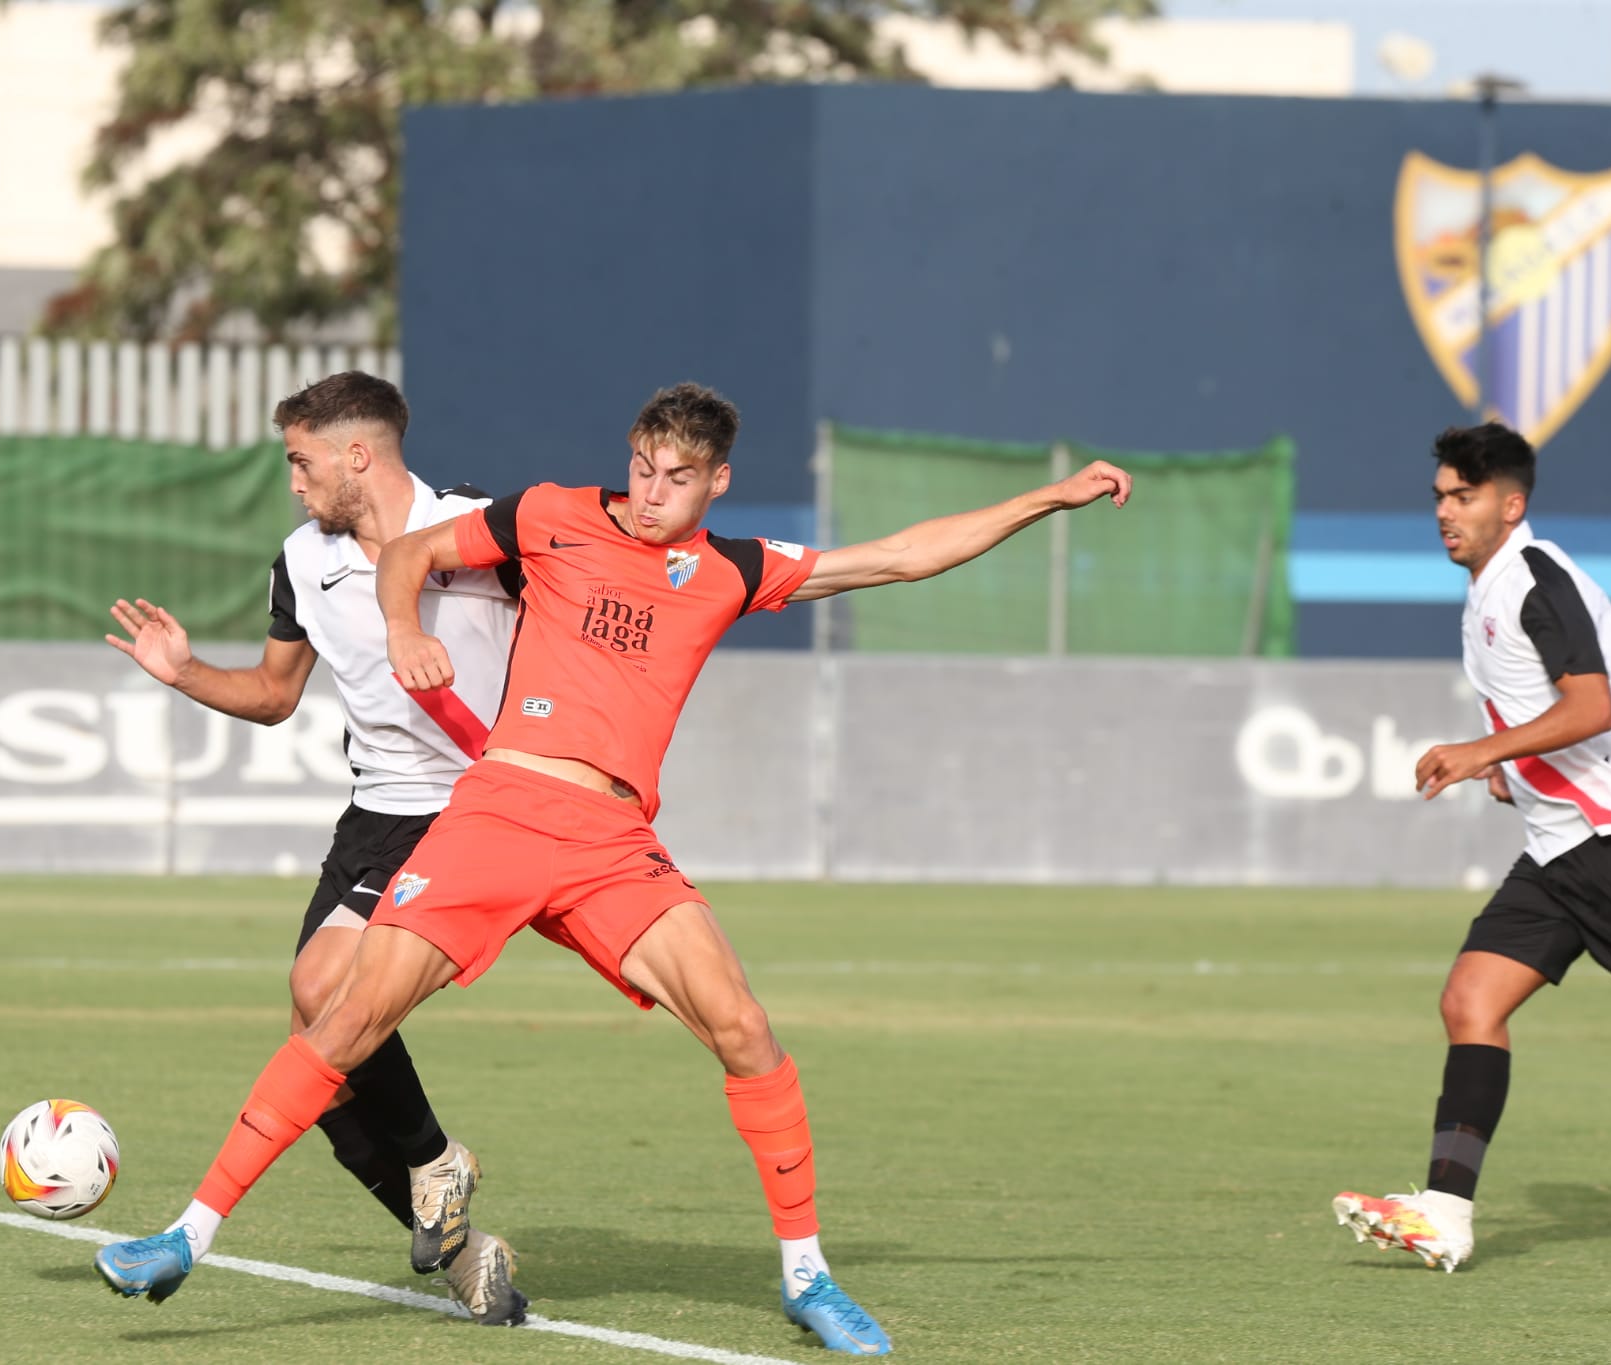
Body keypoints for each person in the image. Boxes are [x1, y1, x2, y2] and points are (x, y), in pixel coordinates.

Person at [94, 380, 1132, 1354]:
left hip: (611, 845)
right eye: (639, 467)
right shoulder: (548, 514)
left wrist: (1050, 496)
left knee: (744, 1030)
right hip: (496, 812)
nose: (648, 492)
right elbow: (406, 556)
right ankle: (189, 1233)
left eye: (674, 477)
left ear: (714, 481)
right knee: (341, 1013)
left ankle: (807, 1278)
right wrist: (404, 630)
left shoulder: (731, 570)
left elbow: (901, 556)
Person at [97, 370, 528, 1325]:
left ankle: (433, 1163)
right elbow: (274, 693)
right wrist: (183, 671)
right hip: (373, 818)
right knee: (324, 1074)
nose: (294, 481)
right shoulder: (302, 559)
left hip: (475, 810)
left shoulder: (484, 530)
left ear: (356, 456)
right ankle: (464, 1249)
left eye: (301, 460)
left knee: (320, 995)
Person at [1333, 422, 1611, 1273]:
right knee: (1471, 999)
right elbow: (1537, 711)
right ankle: (1444, 1211)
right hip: (1559, 850)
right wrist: (1512, 765)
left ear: (1511, 505)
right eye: (1440, 494)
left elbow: (1592, 709)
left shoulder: (1534, 580)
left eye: (1464, 497)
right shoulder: (1484, 590)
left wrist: (1483, 753)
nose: (1445, 510)